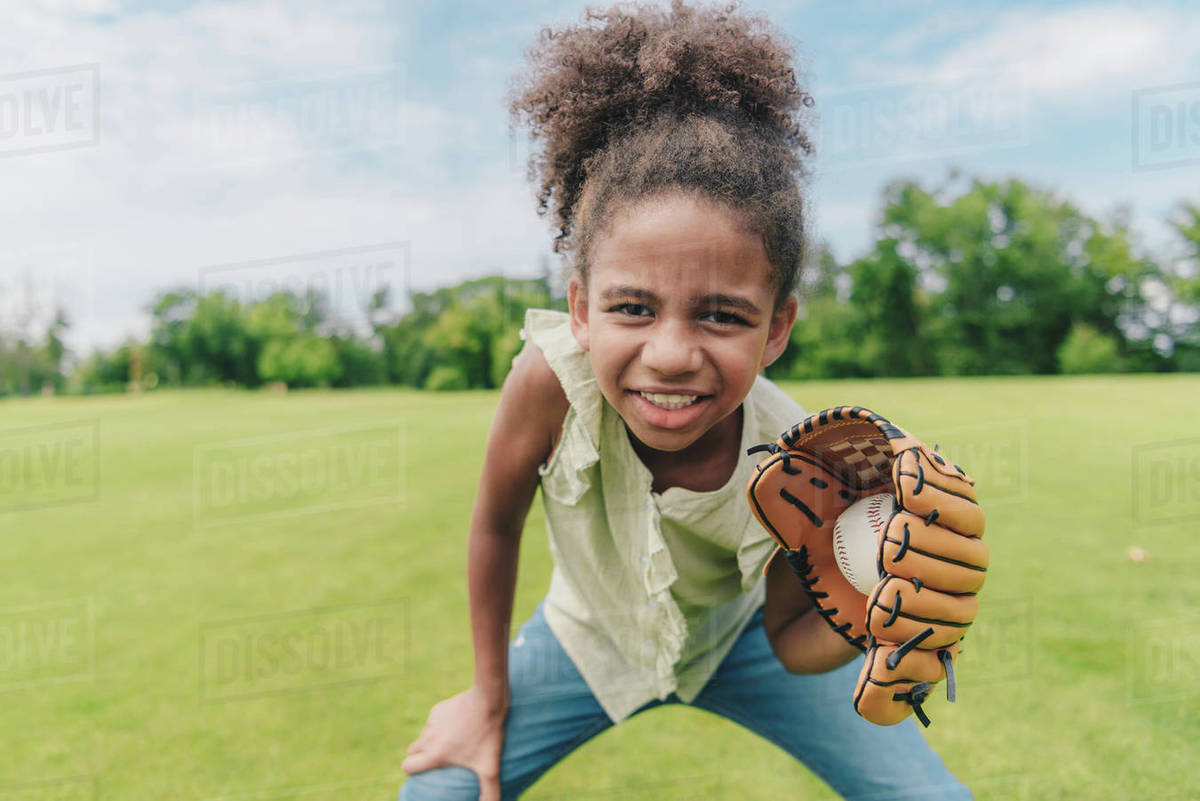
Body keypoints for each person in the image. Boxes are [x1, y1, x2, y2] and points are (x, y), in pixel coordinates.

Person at [400, 1, 972, 798]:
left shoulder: (799, 455)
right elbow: (496, 524)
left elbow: (787, 637)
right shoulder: (546, 383)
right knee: (441, 789)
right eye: (632, 307)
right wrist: (484, 696)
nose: (669, 356)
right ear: (579, 309)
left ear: (777, 328)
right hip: (585, 637)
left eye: (722, 314)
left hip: (736, 642)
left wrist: (875, 611)